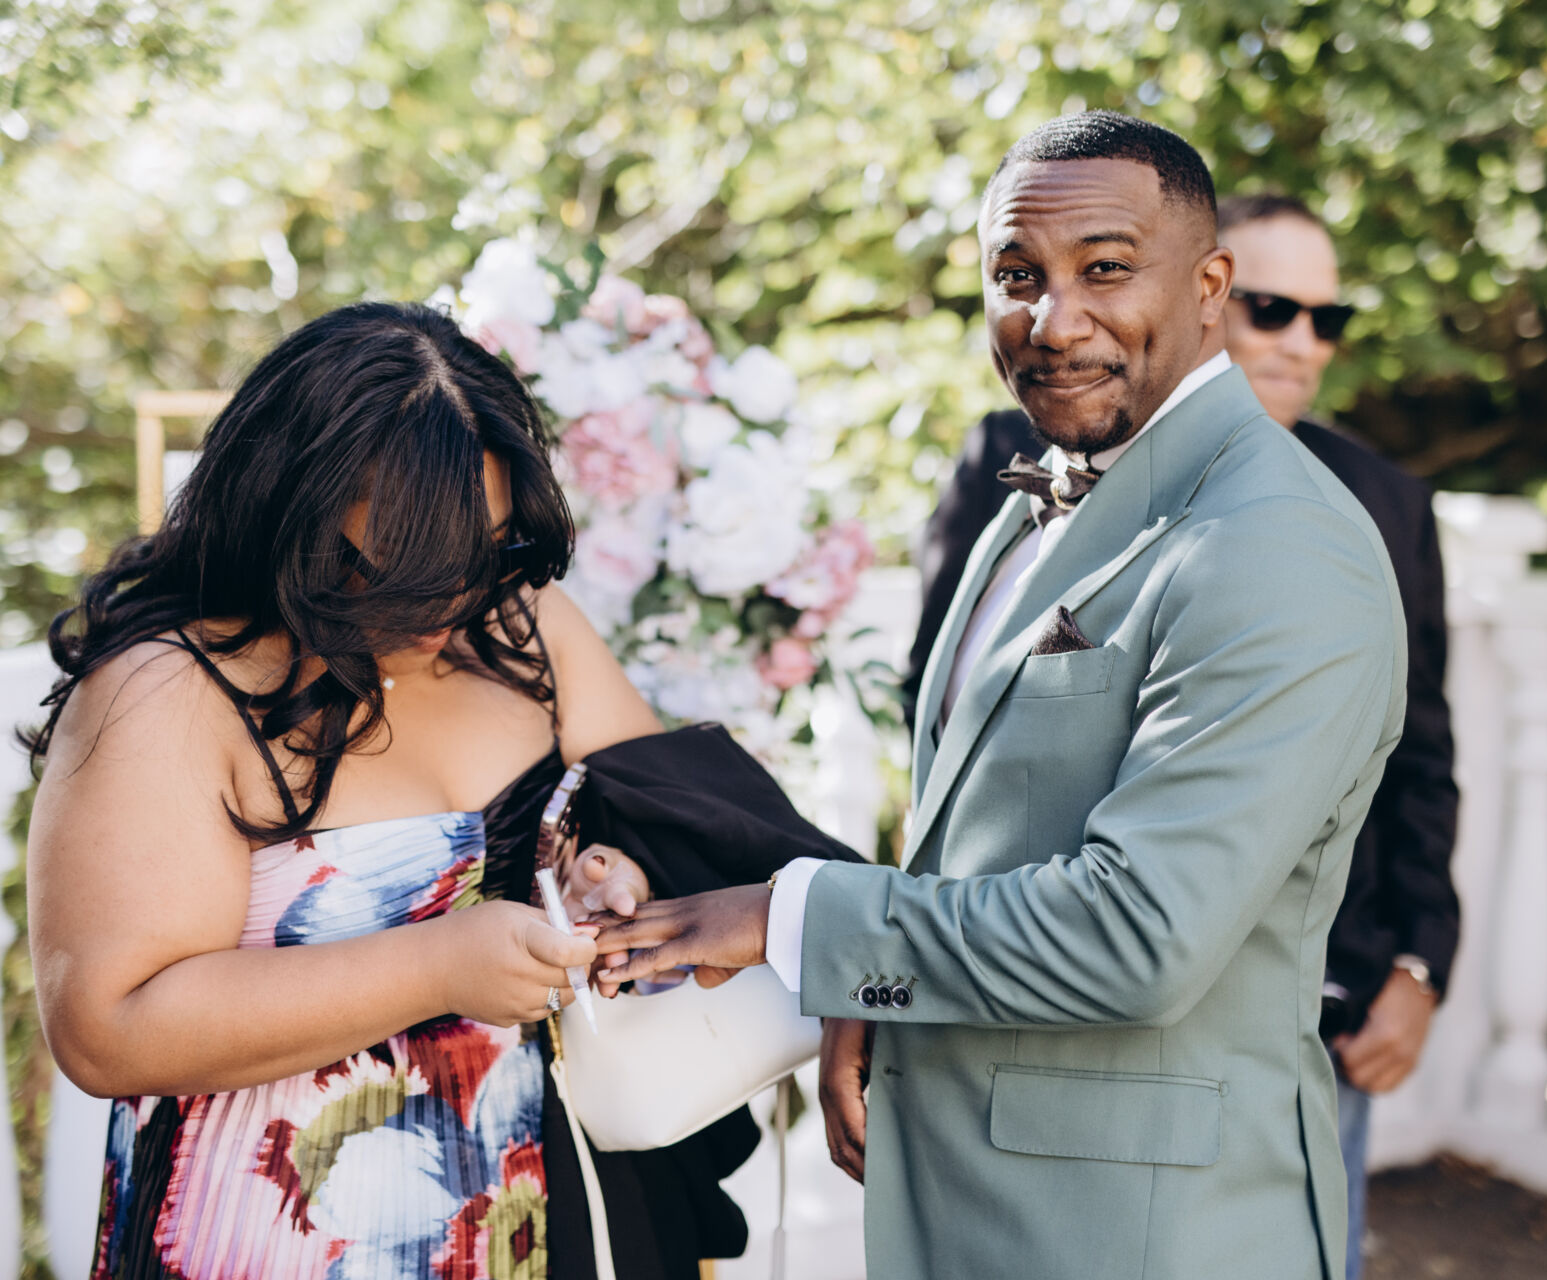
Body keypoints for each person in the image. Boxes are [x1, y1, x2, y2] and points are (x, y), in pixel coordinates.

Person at [595, 110, 1406, 1280]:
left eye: (1105, 270)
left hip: (1146, 1232)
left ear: (1210, 286)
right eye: (1017, 275)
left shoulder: (1275, 542)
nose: (1052, 320)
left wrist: (796, 919)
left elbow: (1137, 935)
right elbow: (983, 830)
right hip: (978, 1189)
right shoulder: (1032, 500)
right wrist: (871, 995)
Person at [24, 300, 754, 1280]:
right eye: (405, 566)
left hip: (549, 1220)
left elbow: (673, 824)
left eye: (485, 550)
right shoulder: (167, 691)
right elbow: (108, 1029)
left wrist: (611, 873)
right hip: (273, 1235)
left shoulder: (522, 628)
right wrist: (439, 965)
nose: (452, 601)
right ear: (288, 507)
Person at [1216, 192, 1460, 1280]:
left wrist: (1420, 961)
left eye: (1330, 318)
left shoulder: (1389, 500)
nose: (1304, 343)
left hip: (1324, 1002)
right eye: (1273, 309)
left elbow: (1424, 752)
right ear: (1204, 294)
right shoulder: (1043, 461)